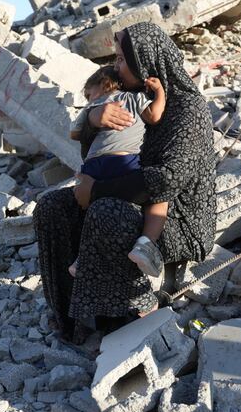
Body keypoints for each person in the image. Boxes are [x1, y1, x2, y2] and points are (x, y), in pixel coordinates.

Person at [33, 22, 216, 342]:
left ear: (143, 63)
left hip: (174, 218)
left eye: (120, 59)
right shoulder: (126, 98)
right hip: (130, 197)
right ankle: (70, 316)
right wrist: (93, 121)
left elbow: (166, 181)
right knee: (51, 207)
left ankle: (129, 315)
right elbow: (96, 157)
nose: (114, 66)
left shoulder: (188, 109)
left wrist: (98, 191)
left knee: (107, 211)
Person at [68, 66, 168, 278]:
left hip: (92, 166)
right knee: (158, 195)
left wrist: (93, 118)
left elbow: (74, 134)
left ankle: (81, 259)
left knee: (91, 212)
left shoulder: (91, 108)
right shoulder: (134, 98)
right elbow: (156, 116)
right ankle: (145, 245)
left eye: (89, 93)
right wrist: (159, 91)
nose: (88, 99)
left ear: (103, 85)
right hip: (123, 160)